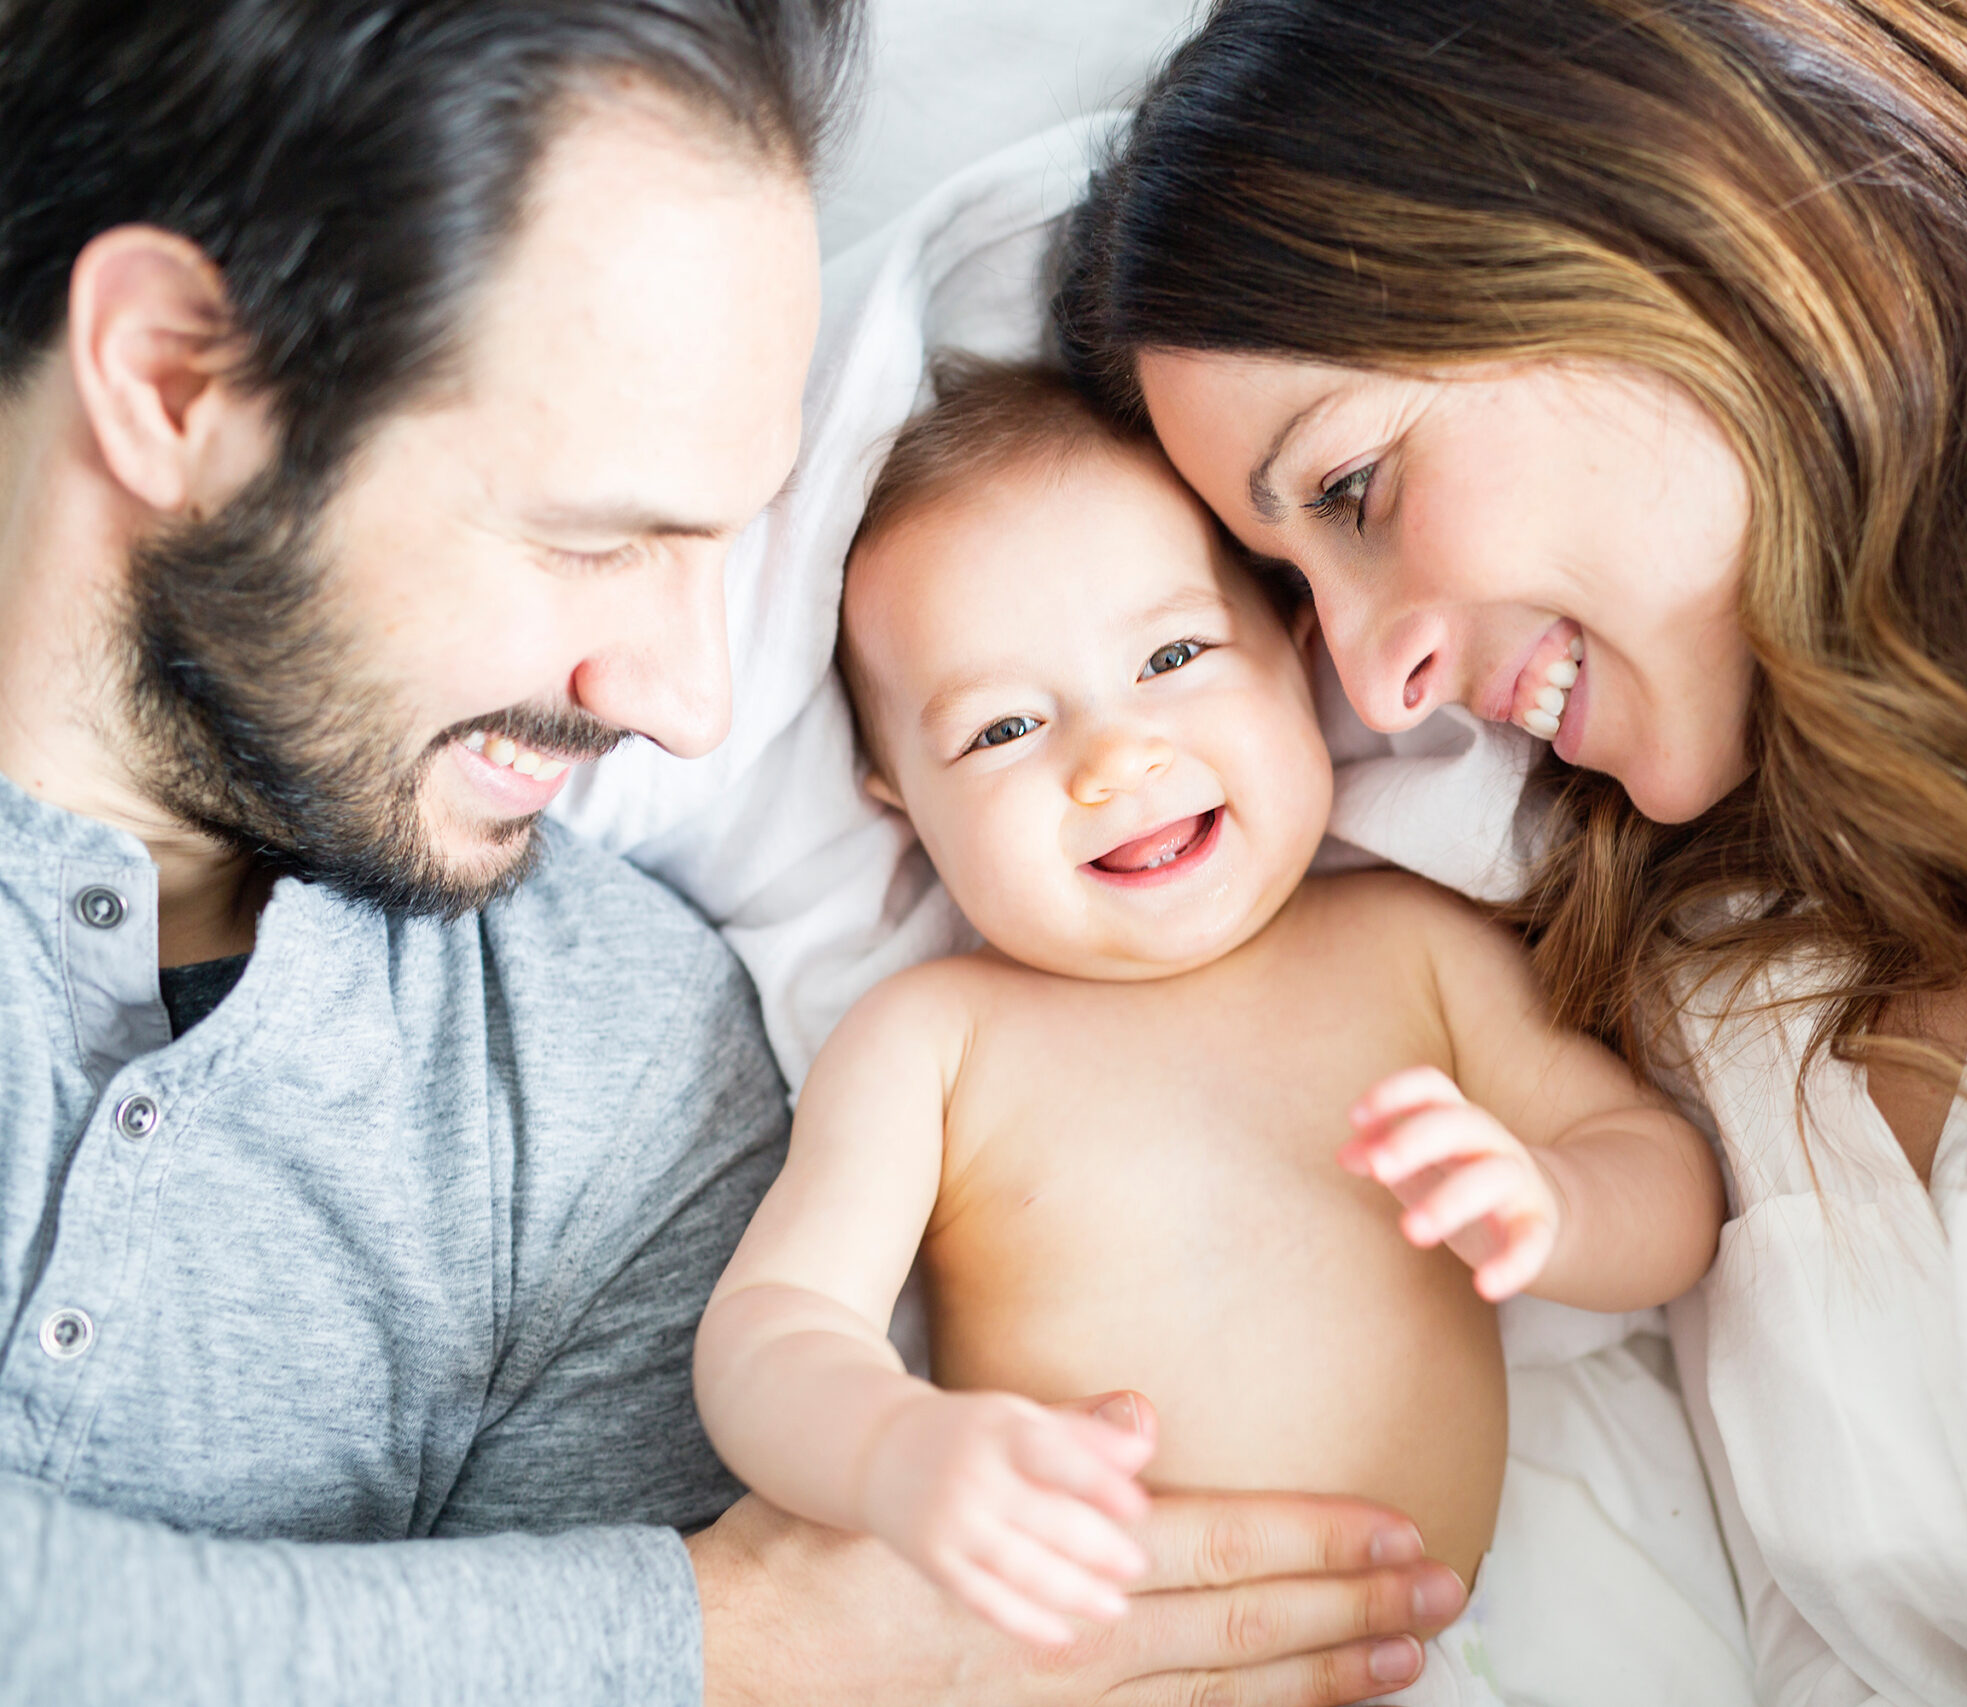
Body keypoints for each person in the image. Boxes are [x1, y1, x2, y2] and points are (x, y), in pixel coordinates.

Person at [1056, 0, 1967, 1701]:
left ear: (1666, 218)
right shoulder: (1735, 1008)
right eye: (1294, 594)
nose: (1371, 682)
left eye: (1356, 489)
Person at [0, 4, 1468, 1703]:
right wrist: (717, 1635)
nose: (691, 705)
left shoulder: (618, 1076)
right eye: (600, 540)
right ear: (173, 377)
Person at [692, 362, 1721, 1703]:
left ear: (1301, 664)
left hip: (1425, 1662)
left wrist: (1558, 1203)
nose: (1112, 757)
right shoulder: (933, 1041)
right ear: (901, 802)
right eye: (1003, 727)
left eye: (1172, 658)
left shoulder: (1410, 951)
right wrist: (894, 1452)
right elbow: (771, 1334)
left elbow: (1666, 1181)